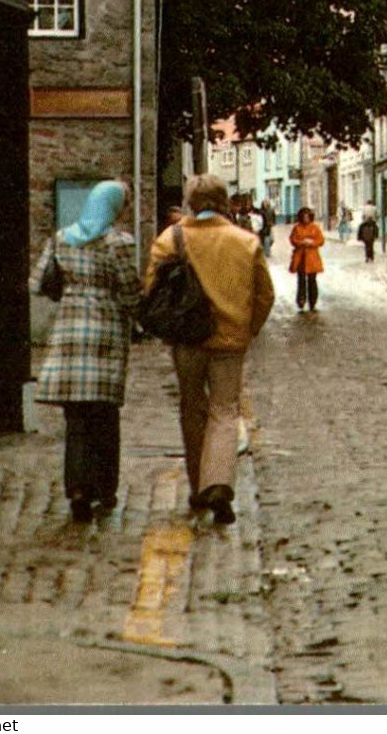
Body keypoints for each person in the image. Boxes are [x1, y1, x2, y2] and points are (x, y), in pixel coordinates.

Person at [145, 174, 274, 525]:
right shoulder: (245, 242)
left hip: (187, 340)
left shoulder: (170, 240)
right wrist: (249, 328)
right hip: (230, 340)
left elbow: (151, 289)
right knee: (225, 410)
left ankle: (199, 486)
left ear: (191, 202)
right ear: (224, 202)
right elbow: (265, 295)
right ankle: (218, 481)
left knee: (192, 408)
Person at [28, 180, 142, 523]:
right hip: (105, 333)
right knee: (105, 416)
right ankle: (105, 489)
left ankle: (77, 489)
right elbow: (130, 290)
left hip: (69, 331)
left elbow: (36, 282)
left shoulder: (62, 238)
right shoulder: (118, 243)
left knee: (75, 417)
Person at [289, 206, 327, 311]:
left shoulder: (315, 227)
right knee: (301, 280)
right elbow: (292, 239)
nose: (306, 219)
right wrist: (301, 242)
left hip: (312, 258)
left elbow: (321, 240)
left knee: (312, 280)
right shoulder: (297, 228)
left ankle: (312, 301)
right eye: (304, 217)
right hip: (300, 257)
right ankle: (301, 300)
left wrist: (312, 242)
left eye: (307, 217)